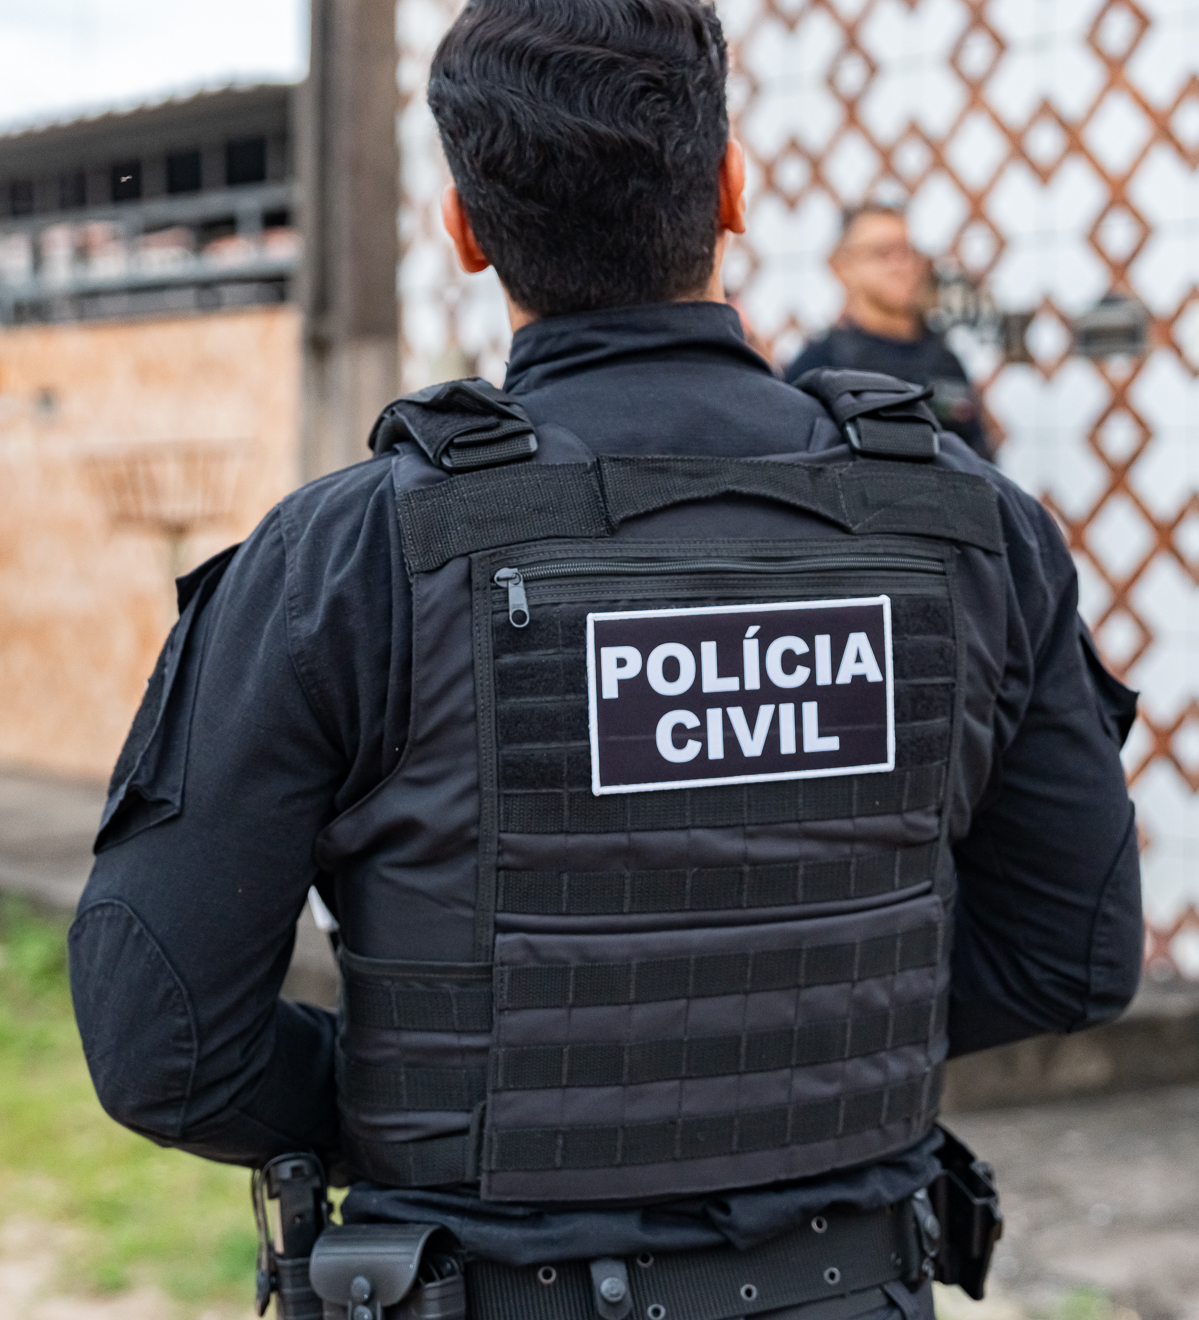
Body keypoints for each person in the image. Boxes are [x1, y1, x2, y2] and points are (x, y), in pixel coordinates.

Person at [67, 2, 1142, 1317]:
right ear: (731, 187)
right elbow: (1071, 956)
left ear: (464, 229)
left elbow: (165, 1039)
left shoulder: (347, 559)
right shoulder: (971, 526)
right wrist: (792, 1050)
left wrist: (447, 1093)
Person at [784, 206, 993, 461]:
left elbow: (981, 460)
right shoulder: (820, 365)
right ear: (843, 267)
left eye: (907, 251)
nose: (900, 265)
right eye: (882, 253)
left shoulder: (945, 360)